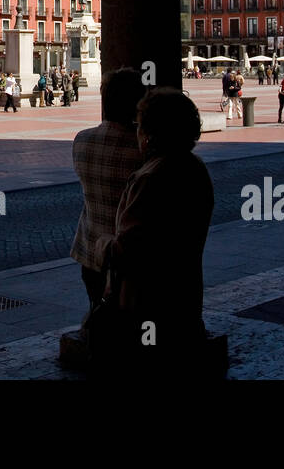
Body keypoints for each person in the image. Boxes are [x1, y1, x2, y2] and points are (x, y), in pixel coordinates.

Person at [94, 88, 215, 373]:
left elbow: (130, 249)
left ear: (148, 132)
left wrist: (101, 245)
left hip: (147, 303)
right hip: (184, 296)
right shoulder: (194, 167)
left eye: (139, 125)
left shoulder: (151, 177)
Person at [71, 67, 147, 308]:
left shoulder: (81, 140)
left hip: (91, 251)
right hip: (130, 256)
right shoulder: (143, 150)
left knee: (98, 315)